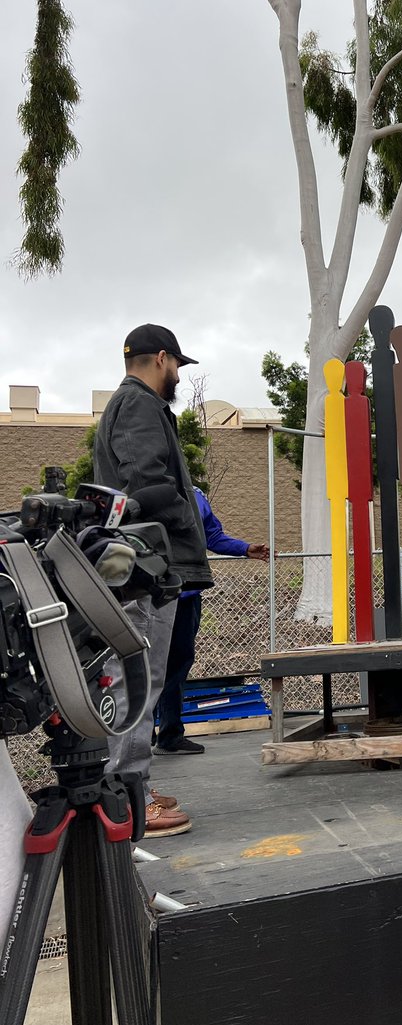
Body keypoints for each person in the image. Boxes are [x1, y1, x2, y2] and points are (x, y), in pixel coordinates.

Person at [93, 323, 213, 837]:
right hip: (144, 571)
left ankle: (130, 787)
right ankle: (127, 797)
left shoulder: (128, 405)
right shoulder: (141, 405)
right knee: (137, 682)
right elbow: (146, 481)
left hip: (141, 569)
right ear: (161, 358)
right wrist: (188, 517)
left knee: (138, 679)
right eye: (177, 367)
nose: (178, 379)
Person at [154, 486, 269, 755]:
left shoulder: (194, 495)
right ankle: (140, 735)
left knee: (178, 664)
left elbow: (212, 535)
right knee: (145, 667)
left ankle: (169, 736)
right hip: (150, 597)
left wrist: (245, 549)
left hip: (186, 597)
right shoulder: (144, 492)